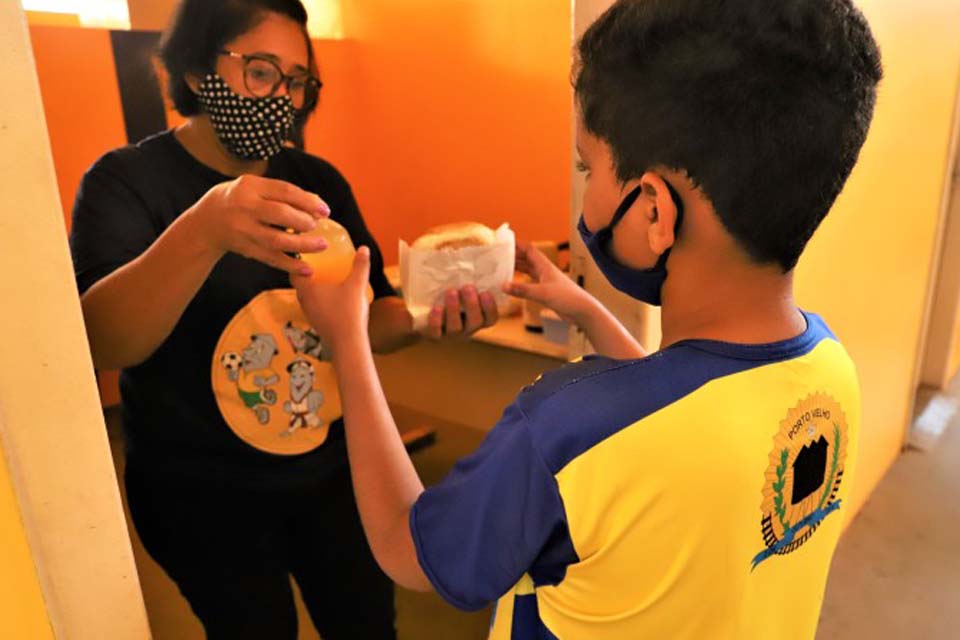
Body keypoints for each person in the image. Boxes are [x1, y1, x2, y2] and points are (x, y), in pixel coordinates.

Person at [292, 0, 882, 637]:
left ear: (654, 210)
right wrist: (582, 305)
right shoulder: (832, 370)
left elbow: (409, 550)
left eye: (588, 168)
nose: (587, 190)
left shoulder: (562, 427)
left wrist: (348, 336)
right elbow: (676, 424)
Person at [69, 0, 497, 637]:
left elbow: (365, 314)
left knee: (367, 626)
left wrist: (421, 320)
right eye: (261, 71)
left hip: (331, 477)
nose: (283, 99)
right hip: (201, 497)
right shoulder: (127, 182)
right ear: (194, 71)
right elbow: (105, 341)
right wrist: (204, 231)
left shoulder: (315, 178)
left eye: (297, 81)